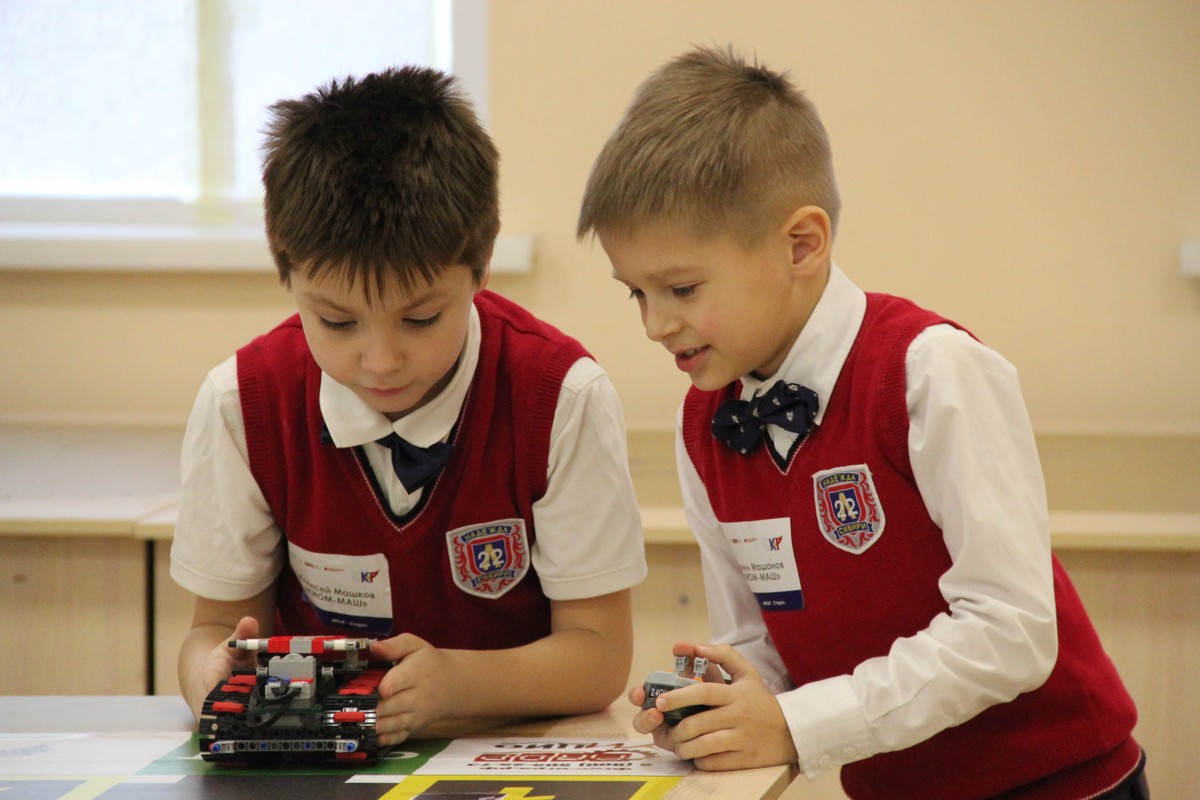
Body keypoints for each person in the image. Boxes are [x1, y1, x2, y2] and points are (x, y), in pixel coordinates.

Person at [577, 46, 1147, 800]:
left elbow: (1011, 631)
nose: (655, 325)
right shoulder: (704, 422)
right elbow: (757, 636)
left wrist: (796, 724)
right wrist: (722, 705)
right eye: (636, 294)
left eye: (681, 289)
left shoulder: (931, 370)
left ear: (801, 245)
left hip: (1061, 784)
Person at [171, 65, 647, 745]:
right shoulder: (242, 404)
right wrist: (210, 678)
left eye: (421, 319)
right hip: (322, 758)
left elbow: (598, 654)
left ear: (482, 265)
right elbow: (214, 629)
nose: (381, 360)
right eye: (337, 322)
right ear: (286, 271)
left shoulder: (561, 397)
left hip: (505, 752)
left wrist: (457, 685)